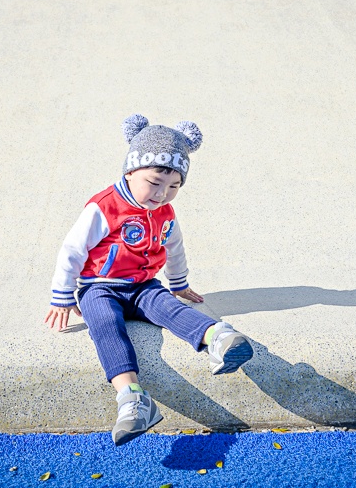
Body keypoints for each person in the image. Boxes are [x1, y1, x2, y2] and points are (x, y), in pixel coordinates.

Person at [43, 114, 254, 446]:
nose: (162, 194)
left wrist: (179, 282)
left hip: (143, 286)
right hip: (100, 286)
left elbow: (174, 247)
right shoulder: (105, 207)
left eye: (174, 187)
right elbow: (72, 250)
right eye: (154, 183)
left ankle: (219, 337)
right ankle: (132, 398)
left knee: (170, 308)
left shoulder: (165, 213)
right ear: (130, 172)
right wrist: (63, 296)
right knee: (105, 325)